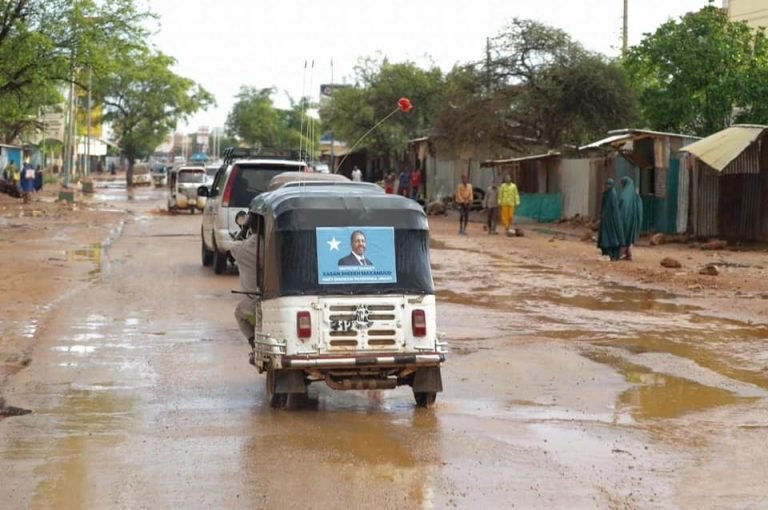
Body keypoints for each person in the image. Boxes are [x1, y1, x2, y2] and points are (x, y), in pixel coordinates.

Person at [230, 230, 261, 363]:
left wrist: (241, 233)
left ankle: (254, 344)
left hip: (254, 303)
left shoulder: (242, 249)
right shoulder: (277, 244)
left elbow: (232, 246)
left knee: (239, 314)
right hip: (279, 298)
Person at [597, 178, 625, 261]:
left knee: (610, 237)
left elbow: (612, 209)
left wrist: (606, 217)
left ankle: (612, 255)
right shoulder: (607, 194)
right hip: (605, 220)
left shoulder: (612, 194)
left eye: (609, 185)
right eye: (606, 184)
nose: (607, 186)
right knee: (606, 237)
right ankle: (606, 254)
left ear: (612, 186)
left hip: (611, 220)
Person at [618, 176, 643, 261]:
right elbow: (640, 209)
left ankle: (622, 253)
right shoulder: (636, 197)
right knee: (630, 236)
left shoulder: (624, 196)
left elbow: (621, 209)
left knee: (623, 236)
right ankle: (628, 253)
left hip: (624, 221)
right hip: (633, 221)